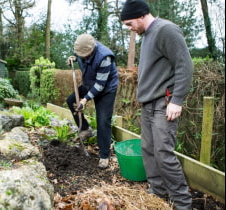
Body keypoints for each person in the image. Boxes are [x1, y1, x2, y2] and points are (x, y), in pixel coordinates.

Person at [121, 0, 193, 209]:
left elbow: (184, 66)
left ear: (142, 15)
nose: (130, 29)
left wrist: (177, 100)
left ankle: (182, 203)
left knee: (163, 154)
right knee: (149, 150)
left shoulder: (166, 30)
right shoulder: (147, 35)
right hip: (148, 104)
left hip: (164, 104)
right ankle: (157, 193)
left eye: (130, 23)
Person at [66, 34, 119, 169]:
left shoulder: (104, 57)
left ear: (92, 49)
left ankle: (104, 155)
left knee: (103, 120)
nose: (82, 57)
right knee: (71, 100)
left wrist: (85, 100)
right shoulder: (82, 48)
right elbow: (77, 54)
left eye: (85, 55)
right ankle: (85, 129)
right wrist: (73, 59)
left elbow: (100, 85)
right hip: (89, 83)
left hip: (106, 89)